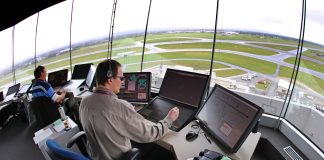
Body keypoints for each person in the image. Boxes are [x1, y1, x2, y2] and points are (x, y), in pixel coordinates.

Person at [79, 59, 179, 160]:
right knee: (161, 150)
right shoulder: (120, 107)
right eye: (121, 78)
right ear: (110, 80)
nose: (122, 81)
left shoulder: (84, 102)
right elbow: (150, 134)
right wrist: (169, 119)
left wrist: (128, 113)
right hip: (119, 157)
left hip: (96, 156)